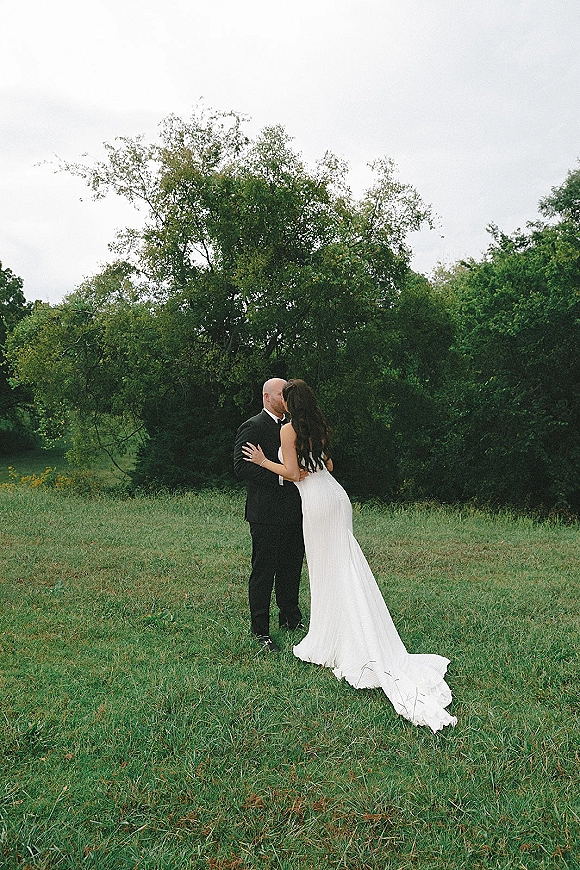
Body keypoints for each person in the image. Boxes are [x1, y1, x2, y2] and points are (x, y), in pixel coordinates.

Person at [242, 378, 457, 732]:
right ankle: (342, 627)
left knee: (329, 569)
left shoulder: (289, 430)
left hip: (315, 502)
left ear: (291, 404)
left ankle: (339, 637)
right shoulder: (318, 427)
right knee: (343, 563)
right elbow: (328, 463)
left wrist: (265, 461)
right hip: (335, 497)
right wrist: (311, 467)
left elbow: (294, 474)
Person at [233, 378, 305, 653]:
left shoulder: (293, 427)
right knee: (264, 571)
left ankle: (290, 618)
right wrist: (281, 477)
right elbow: (241, 467)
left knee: (291, 567)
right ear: (266, 397)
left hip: (295, 511)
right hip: (265, 513)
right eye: (281, 393)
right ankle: (260, 630)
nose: (286, 397)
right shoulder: (253, 427)